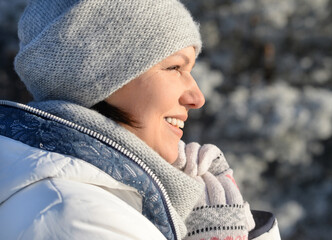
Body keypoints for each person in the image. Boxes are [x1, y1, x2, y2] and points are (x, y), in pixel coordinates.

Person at [0, 0, 281, 239]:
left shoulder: (115, 200)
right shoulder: (77, 217)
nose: (197, 97)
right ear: (99, 77)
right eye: (174, 67)